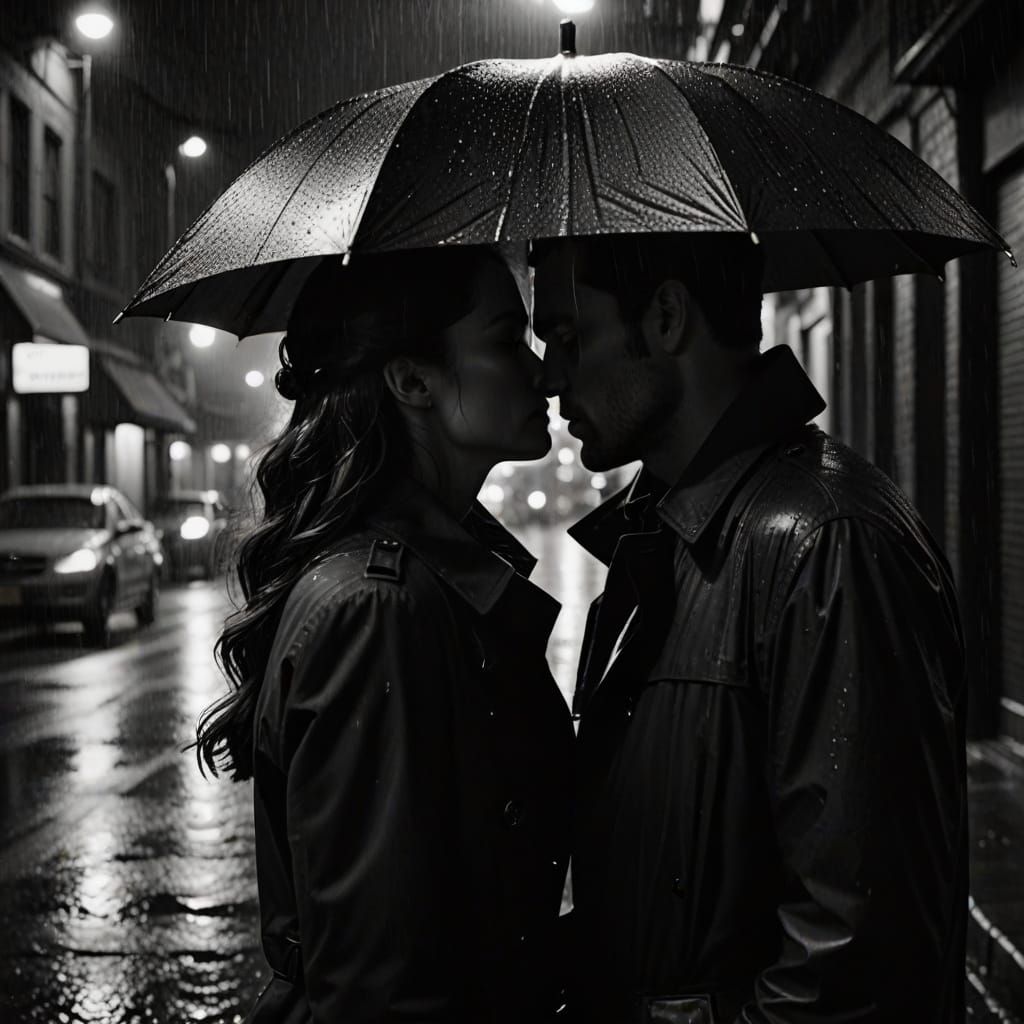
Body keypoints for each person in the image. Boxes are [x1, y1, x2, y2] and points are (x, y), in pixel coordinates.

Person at [531, 233, 967, 1023]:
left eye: (567, 335)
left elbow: (856, 960)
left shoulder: (827, 545)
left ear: (667, 317)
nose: (550, 376)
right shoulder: (658, 534)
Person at [195, 246, 574, 1023]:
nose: (542, 373)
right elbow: (379, 985)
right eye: (508, 340)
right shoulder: (377, 609)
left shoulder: (420, 582)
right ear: (412, 381)